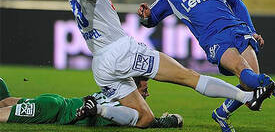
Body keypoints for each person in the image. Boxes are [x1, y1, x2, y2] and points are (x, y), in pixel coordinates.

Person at [64, 0, 275, 129]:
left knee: (145, 119)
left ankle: (97, 109)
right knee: (190, 77)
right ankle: (247, 96)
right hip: (121, 52)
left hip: (100, 64)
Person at [137, 0, 275, 131]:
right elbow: (151, 19)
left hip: (238, 30)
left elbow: (237, 3)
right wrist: (145, 16)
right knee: (246, 73)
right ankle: (268, 82)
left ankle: (221, 113)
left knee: (251, 86)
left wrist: (250, 30)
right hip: (214, 39)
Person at [0, 77, 182, 128]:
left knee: (6, 101)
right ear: (132, 91)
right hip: (52, 110)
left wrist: (172, 120)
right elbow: (132, 116)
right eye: (144, 90)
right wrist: (172, 120)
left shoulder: (113, 94)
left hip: (57, 102)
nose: (148, 95)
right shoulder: (122, 109)